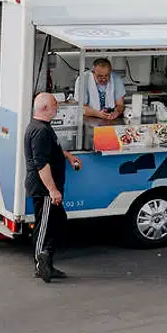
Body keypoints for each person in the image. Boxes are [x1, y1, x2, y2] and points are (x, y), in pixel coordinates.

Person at [25, 92, 81, 283]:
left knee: (57, 221)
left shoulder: (44, 128)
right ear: (45, 108)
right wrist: (52, 189)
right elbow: (41, 163)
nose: (57, 108)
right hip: (44, 188)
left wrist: (66, 155)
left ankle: (46, 259)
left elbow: (52, 151)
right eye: (55, 105)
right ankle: (41, 264)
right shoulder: (40, 131)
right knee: (44, 226)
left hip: (49, 187)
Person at [78, 58, 126, 125]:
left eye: (106, 76)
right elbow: (81, 107)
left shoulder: (116, 79)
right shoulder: (83, 79)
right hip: (88, 121)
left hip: (111, 120)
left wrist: (117, 111)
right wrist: (98, 114)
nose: (103, 79)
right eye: (100, 76)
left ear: (110, 72)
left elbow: (120, 105)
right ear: (93, 73)